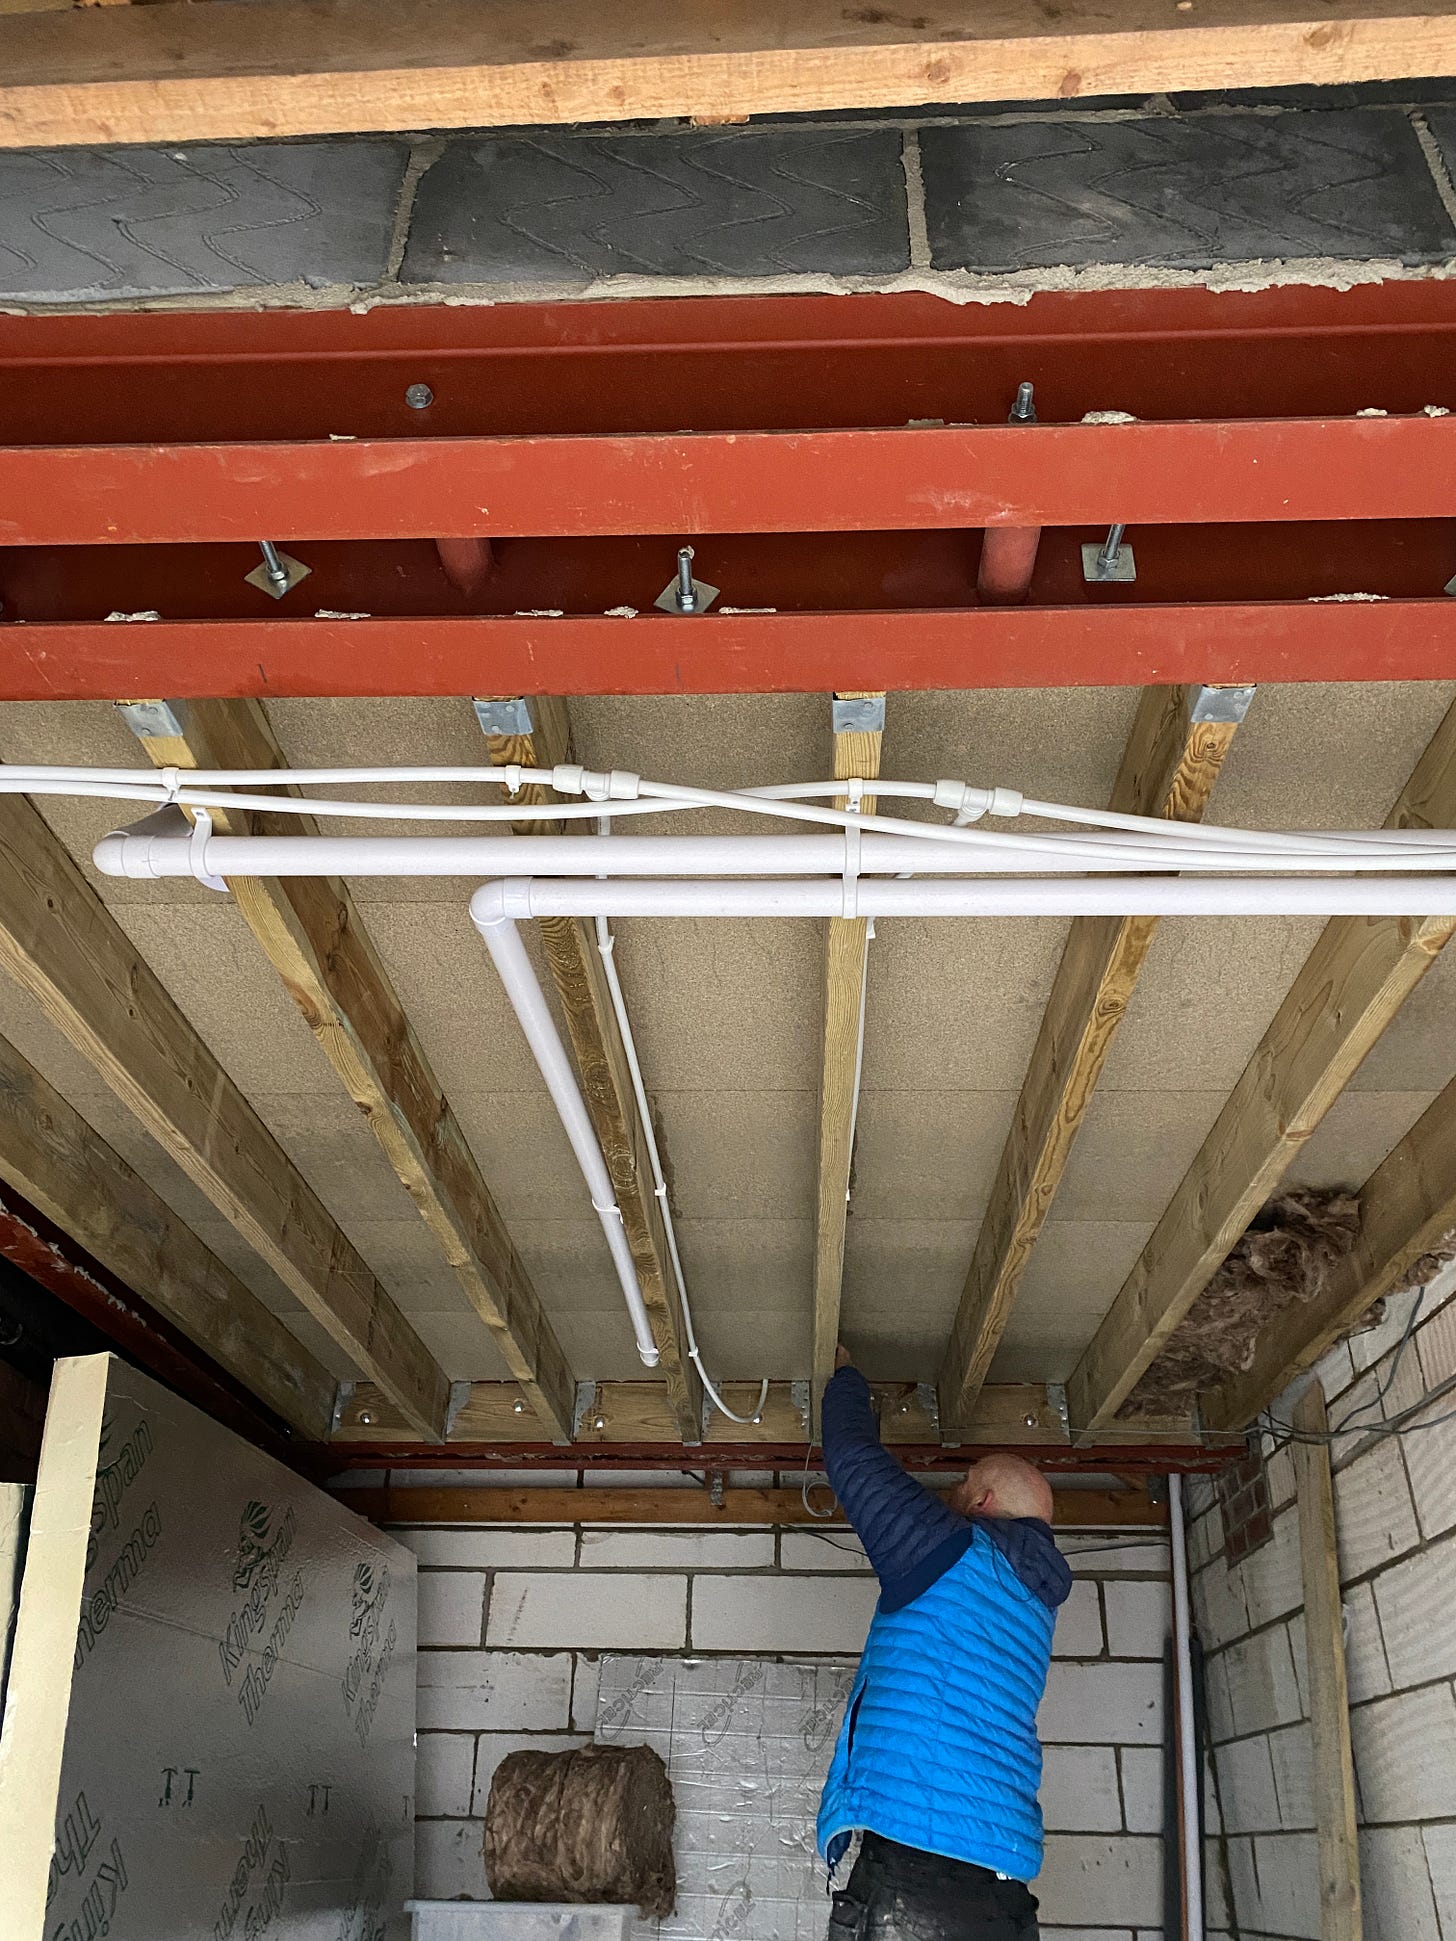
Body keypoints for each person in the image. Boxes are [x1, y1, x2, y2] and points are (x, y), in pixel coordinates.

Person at [816, 1344, 1072, 1940]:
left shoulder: (951, 1551)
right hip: (1000, 1890)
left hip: (920, 1877)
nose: (953, 1490)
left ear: (981, 1503)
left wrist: (845, 1374)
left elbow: (853, 1458)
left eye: (963, 1482)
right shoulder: (1035, 1604)